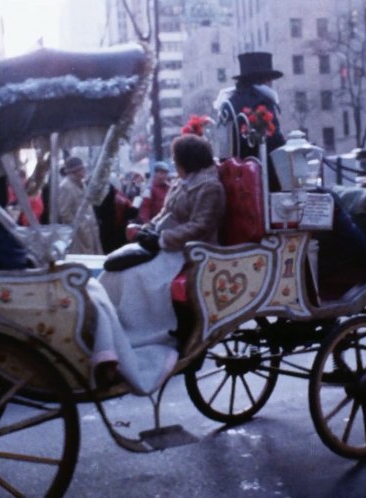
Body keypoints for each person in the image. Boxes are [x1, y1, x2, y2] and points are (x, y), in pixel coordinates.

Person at [90, 134, 226, 394]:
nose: (174, 164)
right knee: (116, 268)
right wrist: (146, 230)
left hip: (189, 252)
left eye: (176, 159)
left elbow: (202, 226)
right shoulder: (182, 183)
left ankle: (136, 336)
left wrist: (163, 239)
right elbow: (165, 214)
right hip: (165, 245)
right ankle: (106, 329)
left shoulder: (210, 187)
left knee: (136, 276)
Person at [215, 52, 286, 190]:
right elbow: (273, 141)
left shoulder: (230, 101)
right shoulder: (261, 101)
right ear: (265, 80)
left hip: (236, 172)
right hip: (261, 174)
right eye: (270, 79)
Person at [57, 156, 103, 255]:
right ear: (75, 171)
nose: (84, 170)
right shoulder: (66, 187)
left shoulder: (81, 184)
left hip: (89, 229)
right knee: (83, 259)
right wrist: (79, 226)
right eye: (82, 168)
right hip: (79, 235)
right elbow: (64, 212)